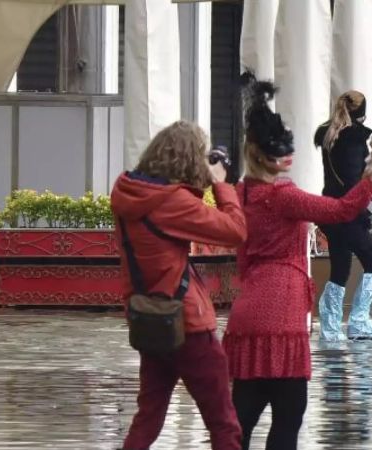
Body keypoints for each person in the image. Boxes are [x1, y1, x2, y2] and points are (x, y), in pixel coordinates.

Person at [222, 73, 372, 450]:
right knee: (287, 423)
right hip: (282, 316)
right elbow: (343, 209)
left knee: (238, 423)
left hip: (246, 314)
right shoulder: (284, 196)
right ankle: (358, 320)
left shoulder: (241, 193)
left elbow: (239, 256)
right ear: (281, 157)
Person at [111, 121, 247, 450]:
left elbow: (176, 211)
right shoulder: (172, 204)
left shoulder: (127, 191)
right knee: (224, 424)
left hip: (149, 319)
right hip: (188, 324)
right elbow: (236, 231)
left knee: (148, 420)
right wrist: (221, 184)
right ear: (188, 159)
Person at [313, 91, 372, 341]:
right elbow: (353, 179)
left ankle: (331, 326)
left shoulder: (329, 135)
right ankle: (357, 321)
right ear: (361, 112)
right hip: (348, 211)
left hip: (330, 208)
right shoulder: (354, 139)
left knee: (340, 267)